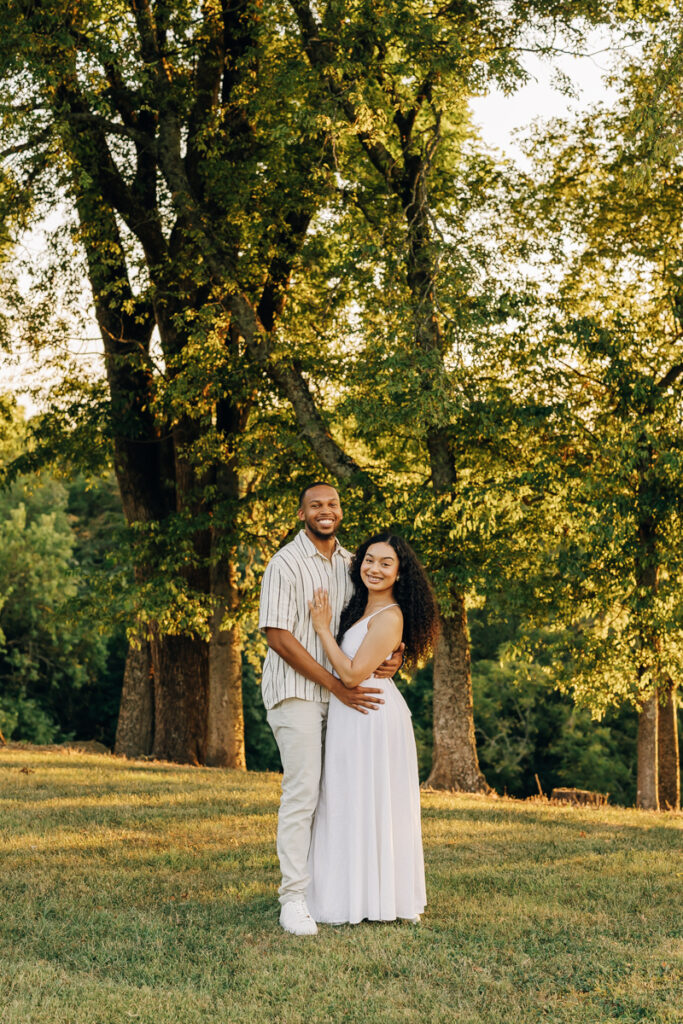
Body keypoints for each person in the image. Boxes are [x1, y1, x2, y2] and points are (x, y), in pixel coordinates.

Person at [258, 483, 404, 936]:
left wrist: (395, 655)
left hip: (344, 696)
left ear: (341, 510)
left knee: (339, 793)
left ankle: (333, 890)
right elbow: (278, 637)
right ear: (301, 513)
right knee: (303, 792)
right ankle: (293, 899)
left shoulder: (351, 564)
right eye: (316, 505)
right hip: (298, 692)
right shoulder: (284, 563)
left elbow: (372, 622)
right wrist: (338, 687)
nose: (326, 511)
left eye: (333, 504)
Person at [306, 532, 438, 926]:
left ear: (400, 573)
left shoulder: (390, 616)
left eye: (385, 563)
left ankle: (378, 898)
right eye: (369, 560)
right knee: (348, 800)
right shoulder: (360, 609)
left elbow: (349, 674)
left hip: (371, 715)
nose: (374, 569)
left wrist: (322, 628)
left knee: (372, 802)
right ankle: (349, 894)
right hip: (355, 714)